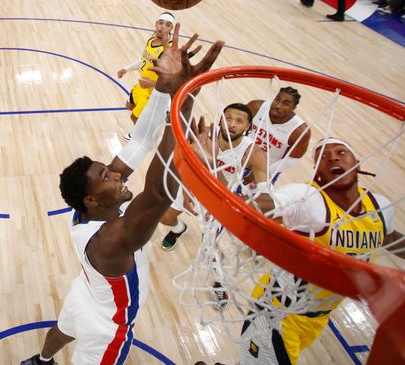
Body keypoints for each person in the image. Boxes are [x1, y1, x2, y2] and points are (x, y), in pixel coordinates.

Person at [21, 24, 224, 365]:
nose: (117, 173)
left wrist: (164, 88)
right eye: (106, 175)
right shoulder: (112, 239)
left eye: (110, 169)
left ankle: (41, 361)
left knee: (61, 328)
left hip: (84, 293)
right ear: (92, 198)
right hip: (108, 327)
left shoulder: (86, 211)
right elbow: (159, 194)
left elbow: (142, 141)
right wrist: (184, 99)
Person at [235, 138, 405, 364]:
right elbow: (268, 203)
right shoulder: (308, 199)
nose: (332, 157)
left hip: (318, 317)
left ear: (357, 163)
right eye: (323, 155)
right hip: (277, 314)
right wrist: (248, 189)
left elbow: (388, 235)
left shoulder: (380, 206)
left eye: (341, 152)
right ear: (317, 171)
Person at [158, 103, 269, 252]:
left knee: (209, 241)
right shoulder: (205, 134)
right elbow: (187, 164)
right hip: (191, 185)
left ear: (248, 127)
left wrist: (214, 163)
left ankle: (212, 259)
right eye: (228, 118)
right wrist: (185, 191)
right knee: (165, 218)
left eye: (239, 121)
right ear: (220, 120)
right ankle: (179, 229)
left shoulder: (254, 153)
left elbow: (267, 195)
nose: (232, 124)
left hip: (219, 195)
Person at [116, 12, 176, 128]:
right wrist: (126, 69)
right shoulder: (150, 41)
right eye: (161, 23)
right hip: (141, 85)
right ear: (156, 24)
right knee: (129, 106)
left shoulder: (171, 50)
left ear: (171, 29)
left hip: (153, 92)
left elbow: (172, 81)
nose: (163, 26)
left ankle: (139, 138)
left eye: (168, 25)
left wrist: (153, 83)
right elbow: (143, 61)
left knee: (134, 117)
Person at [246, 87, 311, 179]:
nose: (278, 105)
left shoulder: (299, 131)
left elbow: (292, 160)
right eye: (277, 99)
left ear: (293, 108)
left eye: (285, 104)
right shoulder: (256, 107)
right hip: (241, 155)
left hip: (269, 167)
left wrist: (264, 171)